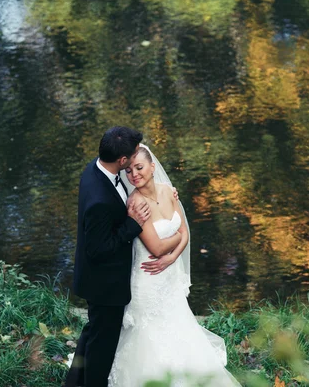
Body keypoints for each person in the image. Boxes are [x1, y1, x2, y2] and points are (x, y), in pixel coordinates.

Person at [108, 144, 240, 387]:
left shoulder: (169, 191)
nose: (134, 174)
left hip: (168, 276)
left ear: (152, 166)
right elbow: (156, 248)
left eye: (139, 167)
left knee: (178, 326)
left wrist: (171, 257)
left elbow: (184, 233)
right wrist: (172, 247)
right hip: (148, 281)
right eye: (128, 171)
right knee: (149, 337)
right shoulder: (136, 204)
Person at [65, 127, 182, 387]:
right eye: (131, 158)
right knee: (102, 346)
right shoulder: (98, 199)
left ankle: (74, 382)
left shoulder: (95, 169)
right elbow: (97, 250)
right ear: (122, 161)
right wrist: (132, 224)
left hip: (99, 279)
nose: (134, 163)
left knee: (93, 332)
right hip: (104, 284)